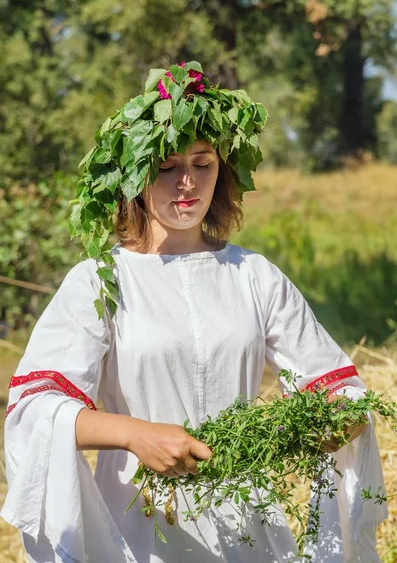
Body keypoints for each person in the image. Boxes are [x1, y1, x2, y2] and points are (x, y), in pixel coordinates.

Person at [1, 61, 387, 563]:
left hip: (248, 532)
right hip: (138, 534)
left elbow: (339, 391)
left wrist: (333, 423)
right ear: (136, 174)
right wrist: (136, 435)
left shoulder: (254, 275)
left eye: (202, 164)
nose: (187, 182)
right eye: (167, 166)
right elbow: (34, 406)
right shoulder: (100, 281)